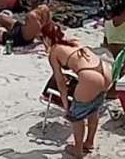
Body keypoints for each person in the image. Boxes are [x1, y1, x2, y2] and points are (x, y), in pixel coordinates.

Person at [44, 22, 112, 157]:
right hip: (105, 71)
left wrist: (66, 107)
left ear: (46, 39)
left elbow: (61, 83)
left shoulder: (54, 52)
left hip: (90, 77)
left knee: (76, 117)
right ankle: (89, 142)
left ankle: (78, 150)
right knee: (94, 109)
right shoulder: (73, 41)